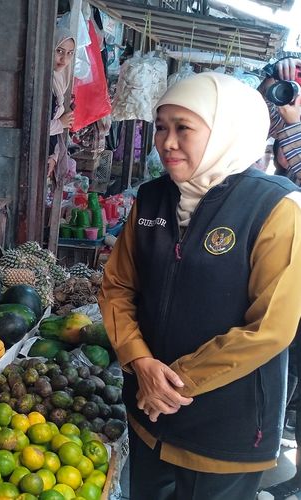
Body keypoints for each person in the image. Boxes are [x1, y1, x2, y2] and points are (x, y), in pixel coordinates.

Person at [100, 72, 301, 500]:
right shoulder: (152, 198)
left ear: (226, 130)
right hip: (148, 416)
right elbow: (117, 286)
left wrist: (174, 384)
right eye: (160, 126)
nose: (167, 142)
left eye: (183, 128)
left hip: (226, 427)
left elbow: (271, 327)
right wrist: (138, 360)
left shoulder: (275, 208)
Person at [47, 24, 76, 180]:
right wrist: (60, 123)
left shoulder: (60, 82)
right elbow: (33, 126)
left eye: (70, 53)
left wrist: (53, 156)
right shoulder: (42, 82)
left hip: (46, 156)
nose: (64, 59)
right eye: (59, 51)